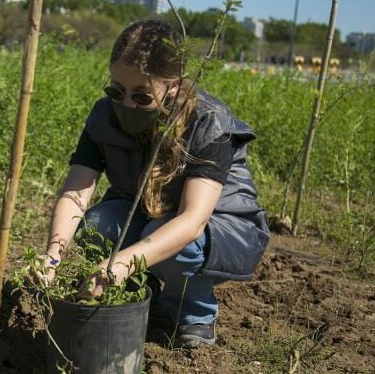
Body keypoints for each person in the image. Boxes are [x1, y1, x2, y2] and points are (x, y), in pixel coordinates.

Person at [36, 20, 270, 347]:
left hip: (220, 228)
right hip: (145, 211)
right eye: (116, 91)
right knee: (96, 225)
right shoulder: (104, 115)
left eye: (142, 96)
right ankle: (132, 299)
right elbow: (76, 193)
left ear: (172, 86)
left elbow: (193, 220)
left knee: (172, 244)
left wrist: (121, 262)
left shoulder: (208, 121)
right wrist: (53, 255)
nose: (127, 104)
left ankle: (192, 311)